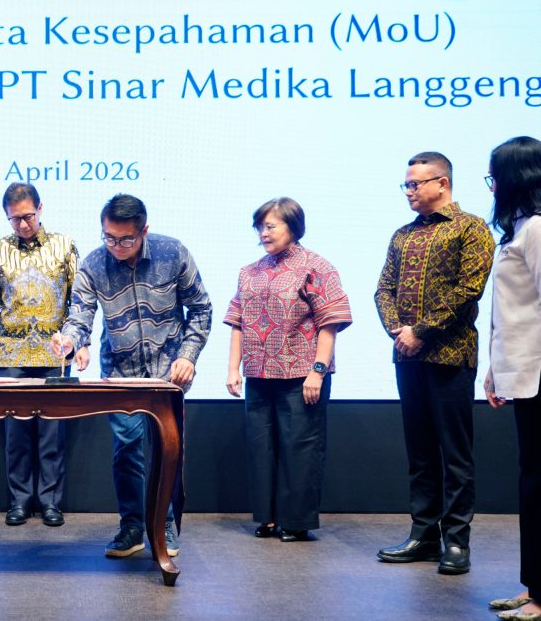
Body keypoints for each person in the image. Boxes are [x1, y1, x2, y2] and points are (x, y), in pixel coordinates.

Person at [51, 193, 212, 558]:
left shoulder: (173, 253)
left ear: (144, 231)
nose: (116, 246)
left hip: (168, 371)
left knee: (167, 450)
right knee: (126, 449)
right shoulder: (94, 263)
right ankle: (132, 527)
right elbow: (80, 316)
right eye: (109, 237)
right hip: (120, 371)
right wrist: (69, 340)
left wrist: (188, 356)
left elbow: (201, 309)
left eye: (125, 240)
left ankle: (164, 524)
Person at [374, 151, 495, 575]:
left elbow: (468, 289)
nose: (409, 191)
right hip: (407, 356)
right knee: (420, 451)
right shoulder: (402, 235)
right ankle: (423, 535)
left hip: (450, 355)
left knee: (454, 455)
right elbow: (383, 289)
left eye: (415, 184)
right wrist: (398, 331)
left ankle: (456, 542)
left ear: (441, 183)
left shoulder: (471, 228)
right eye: (406, 184)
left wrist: (420, 331)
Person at [224, 198, 352, 543]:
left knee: (300, 447)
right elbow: (237, 322)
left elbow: (330, 322)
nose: (264, 233)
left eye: (271, 226)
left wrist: (318, 371)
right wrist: (233, 368)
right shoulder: (249, 271)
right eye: (260, 227)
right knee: (261, 447)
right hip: (259, 373)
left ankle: (295, 521)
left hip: (301, 374)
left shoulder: (316, 267)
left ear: (293, 227)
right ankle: (266, 517)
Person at [0, 183, 88, 527]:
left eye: (27, 216)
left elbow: (79, 301)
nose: (23, 224)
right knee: (17, 435)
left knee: (52, 434)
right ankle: (20, 502)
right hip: (11, 355)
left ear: (40, 209)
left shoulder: (64, 245)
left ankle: (51, 502)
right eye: (15, 219)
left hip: (55, 355)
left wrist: (81, 343)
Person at [482, 136, 541, 620]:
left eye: (494, 176)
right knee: (532, 483)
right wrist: (493, 369)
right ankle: (534, 587)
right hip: (523, 374)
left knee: (539, 485)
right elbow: (509, 311)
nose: (492, 186)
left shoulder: (538, 228)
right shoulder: (519, 228)